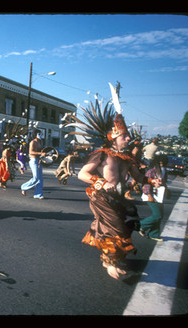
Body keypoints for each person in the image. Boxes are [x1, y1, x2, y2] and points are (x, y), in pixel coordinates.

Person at [72, 84, 162, 280]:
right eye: (125, 136)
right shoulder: (102, 154)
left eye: (128, 135)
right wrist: (101, 183)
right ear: (113, 138)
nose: (128, 138)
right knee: (116, 230)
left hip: (118, 198)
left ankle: (110, 259)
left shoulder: (127, 158)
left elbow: (139, 178)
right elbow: (82, 174)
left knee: (126, 227)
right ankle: (111, 262)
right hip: (101, 197)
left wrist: (151, 181)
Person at [139, 154, 168, 242]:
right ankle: (141, 225)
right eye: (159, 162)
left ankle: (154, 234)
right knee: (157, 215)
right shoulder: (151, 171)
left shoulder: (164, 171)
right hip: (152, 195)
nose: (161, 164)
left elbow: (164, 183)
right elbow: (146, 184)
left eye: (163, 162)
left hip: (160, 195)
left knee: (160, 216)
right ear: (156, 162)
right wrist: (149, 195)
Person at [20, 130, 46, 199]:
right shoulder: (32, 142)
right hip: (33, 160)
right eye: (39, 134)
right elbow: (30, 152)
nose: (40, 135)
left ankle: (38, 194)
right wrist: (40, 153)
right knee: (36, 178)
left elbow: (41, 151)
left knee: (40, 179)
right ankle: (23, 187)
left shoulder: (40, 142)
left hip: (39, 160)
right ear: (35, 134)